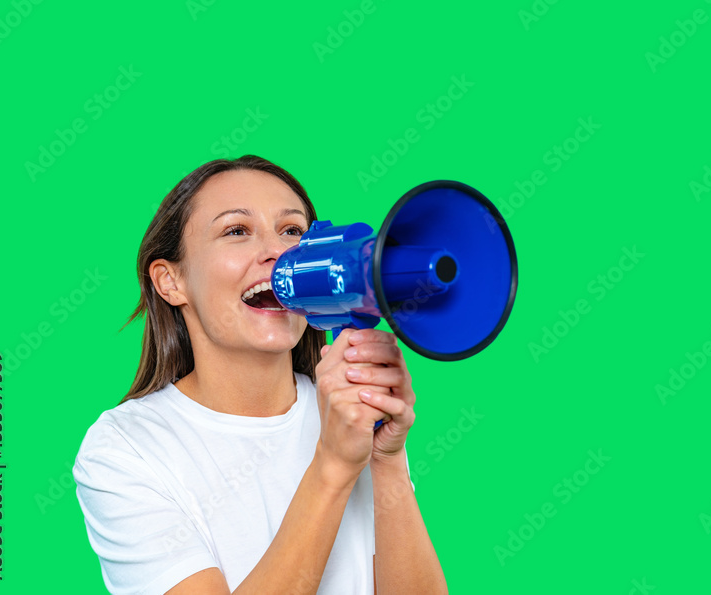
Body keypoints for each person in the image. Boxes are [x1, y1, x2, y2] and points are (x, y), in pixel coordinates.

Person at [73, 155, 448, 594]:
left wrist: (386, 461)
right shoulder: (124, 450)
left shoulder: (348, 414)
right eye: (236, 231)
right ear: (170, 281)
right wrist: (333, 465)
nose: (277, 251)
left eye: (292, 231)